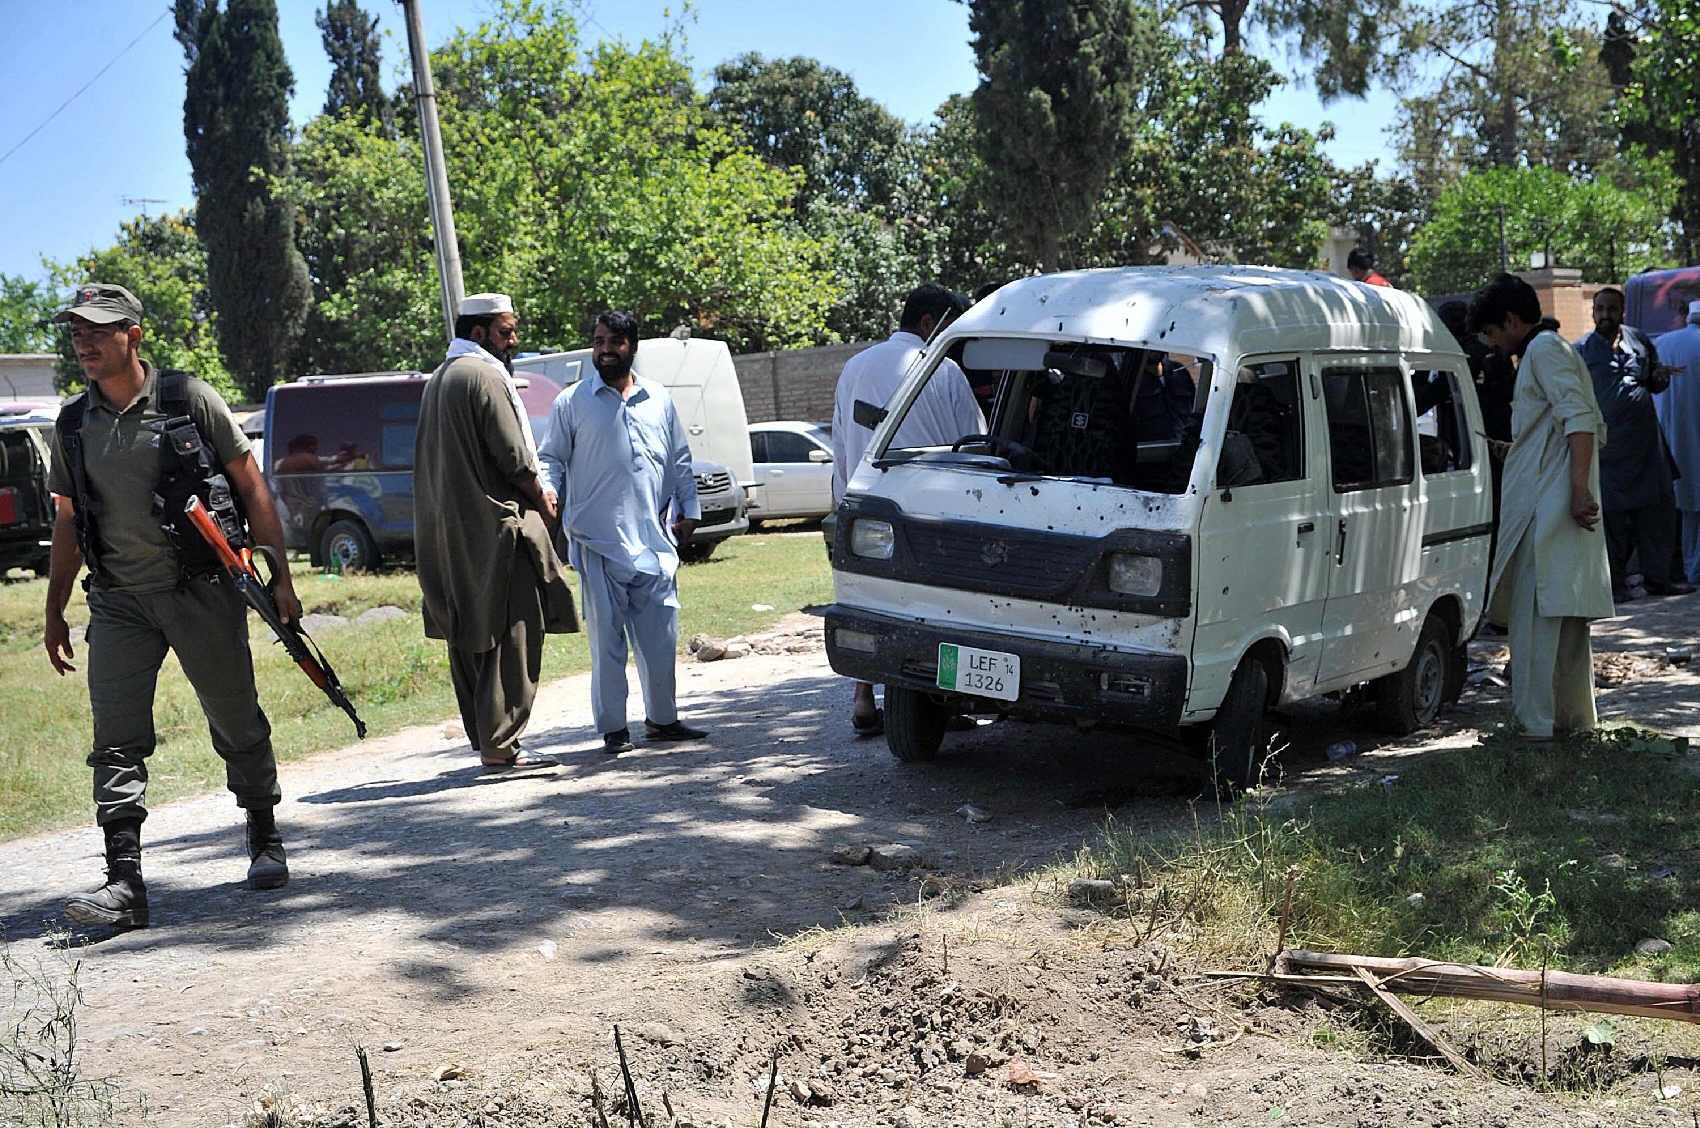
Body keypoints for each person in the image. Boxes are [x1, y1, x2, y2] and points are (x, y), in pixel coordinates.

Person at [43, 284, 300, 929]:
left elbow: (249, 482)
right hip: (118, 600)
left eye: (97, 332)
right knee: (116, 736)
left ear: (133, 335)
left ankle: (264, 835)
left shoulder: (189, 399)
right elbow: (68, 523)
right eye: (76, 334)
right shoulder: (73, 424)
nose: (85, 345)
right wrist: (53, 611)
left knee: (233, 710)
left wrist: (281, 577)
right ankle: (124, 881)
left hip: (202, 588)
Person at [415, 293, 578, 772]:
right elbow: (513, 455)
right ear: (480, 332)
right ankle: (500, 742)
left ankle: (487, 738)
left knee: (470, 633)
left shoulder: (440, 378)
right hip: (496, 531)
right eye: (506, 331)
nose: (514, 340)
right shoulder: (484, 375)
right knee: (514, 630)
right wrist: (542, 499)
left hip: (451, 534)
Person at [536, 310, 708, 755]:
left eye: (614, 341)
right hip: (596, 541)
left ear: (632, 346)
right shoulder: (571, 402)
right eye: (598, 341)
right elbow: (550, 458)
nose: (604, 349)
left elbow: (680, 460)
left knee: (659, 640)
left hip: (654, 540)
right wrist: (549, 491)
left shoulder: (659, 399)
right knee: (607, 645)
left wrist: (689, 509)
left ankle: (663, 720)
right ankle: (615, 729)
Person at [831, 282, 984, 732]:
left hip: (867, 510)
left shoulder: (855, 366)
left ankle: (863, 697)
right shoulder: (944, 371)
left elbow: (841, 447)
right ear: (927, 323)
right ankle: (945, 700)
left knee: (867, 600)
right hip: (930, 514)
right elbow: (975, 443)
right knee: (938, 607)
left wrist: (843, 511)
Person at [1469, 273, 1613, 741]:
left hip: (1549, 510)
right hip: (1554, 501)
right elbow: (1560, 427)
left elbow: (1581, 420)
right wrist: (1519, 449)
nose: (1492, 344)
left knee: (1535, 625)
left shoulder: (1544, 350)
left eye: (1492, 333)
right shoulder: (1551, 349)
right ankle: (1572, 725)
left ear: (1510, 321)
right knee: (1564, 624)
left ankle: (1533, 728)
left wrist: (1577, 489)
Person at [1573, 287, 1694, 601]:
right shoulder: (1582, 350)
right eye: (1599, 309)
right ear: (1592, 312)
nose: (1605, 315)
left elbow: (1653, 382)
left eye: (1611, 309)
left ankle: (1659, 578)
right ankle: (1614, 585)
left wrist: (1660, 377)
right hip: (1607, 449)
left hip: (1645, 446)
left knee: (1658, 513)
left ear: (1622, 311)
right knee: (1610, 520)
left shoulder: (1638, 340)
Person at [1652, 300, 1700, 583]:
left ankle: (1680, 570)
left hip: (1668, 440)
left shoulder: (1663, 343)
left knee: (1678, 509)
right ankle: (1694, 570)